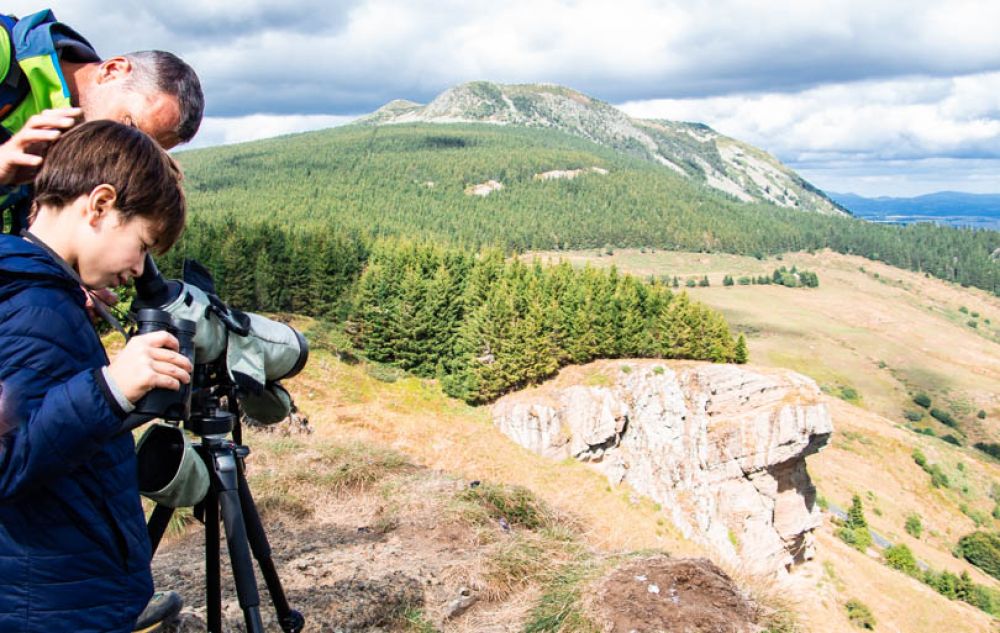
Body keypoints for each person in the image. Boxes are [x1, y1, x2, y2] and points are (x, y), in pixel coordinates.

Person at [0, 120, 193, 633]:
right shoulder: (30, 307)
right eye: (143, 243)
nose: (138, 268)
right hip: (46, 604)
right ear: (101, 205)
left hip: (61, 590)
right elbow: (6, 460)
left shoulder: (47, 297)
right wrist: (110, 388)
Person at [0, 8, 204, 233]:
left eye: (139, 152)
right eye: (129, 126)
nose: (124, 150)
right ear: (112, 70)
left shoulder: (73, 165)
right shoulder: (5, 51)